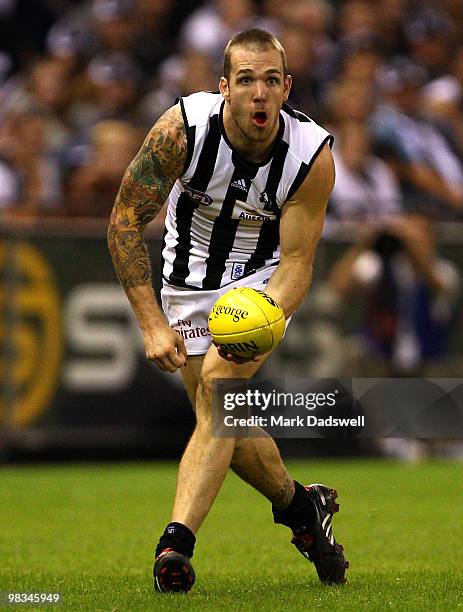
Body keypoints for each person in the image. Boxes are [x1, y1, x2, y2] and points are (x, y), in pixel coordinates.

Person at [107, 28, 348, 593]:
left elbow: (296, 262)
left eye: (270, 81)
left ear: (287, 88)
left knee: (218, 387)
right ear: (224, 88)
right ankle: (301, 510)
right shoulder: (182, 130)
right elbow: (122, 221)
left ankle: (176, 544)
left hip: (262, 285)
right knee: (224, 419)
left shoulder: (312, 156)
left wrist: (267, 312)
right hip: (186, 281)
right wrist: (151, 322)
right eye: (246, 80)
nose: (258, 93)